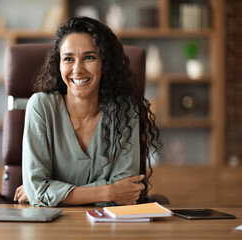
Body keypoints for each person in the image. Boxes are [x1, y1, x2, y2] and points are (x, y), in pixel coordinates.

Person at [14, 17, 161, 207]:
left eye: (89, 57)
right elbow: (38, 191)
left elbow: (126, 194)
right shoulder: (41, 106)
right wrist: (108, 191)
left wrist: (48, 193)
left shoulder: (125, 111)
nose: (78, 69)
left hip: (107, 229)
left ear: (104, 64)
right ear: (59, 65)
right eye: (68, 59)